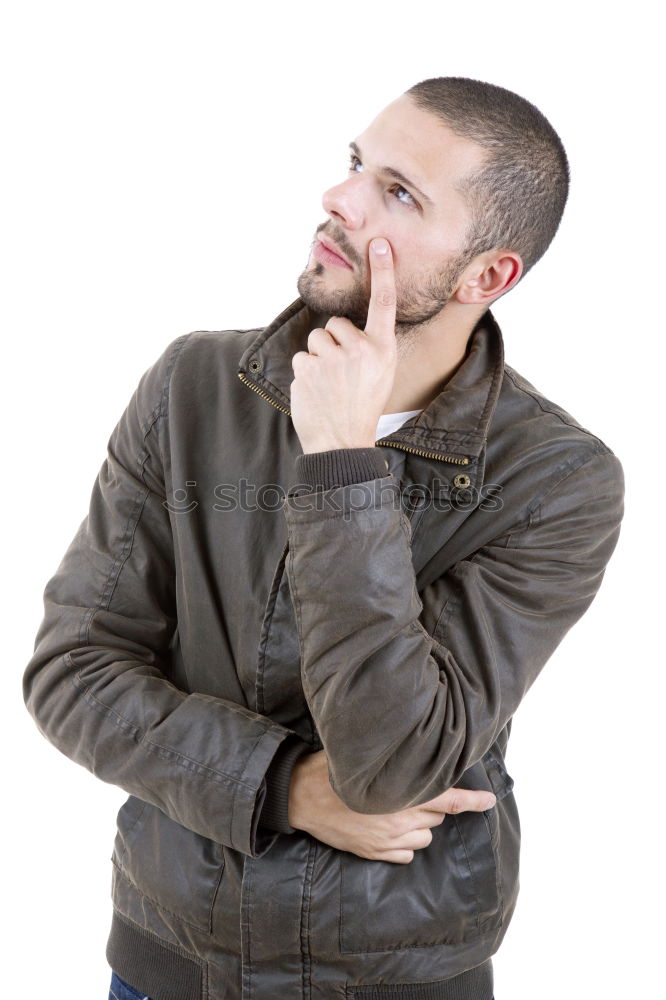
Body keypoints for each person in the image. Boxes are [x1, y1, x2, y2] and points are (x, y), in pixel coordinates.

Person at [23, 76, 624, 1000]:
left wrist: (343, 461)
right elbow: (72, 672)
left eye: (399, 192)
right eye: (355, 165)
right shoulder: (194, 387)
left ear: (487, 276)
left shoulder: (556, 480)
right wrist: (283, 784)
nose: (337, 200)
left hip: (400, 977)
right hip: (164, 960)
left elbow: (390, 763)